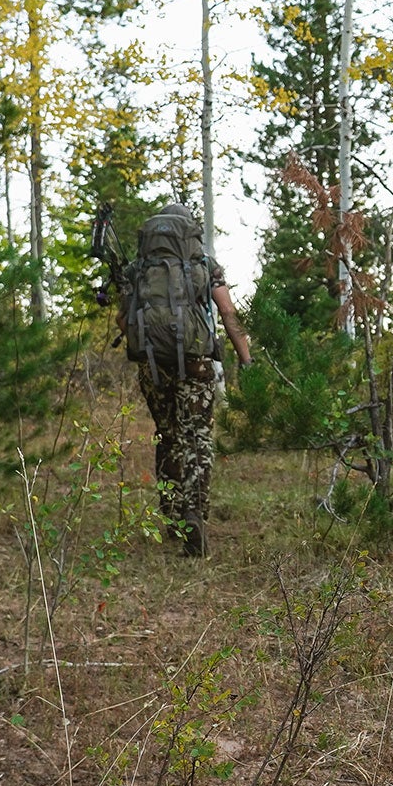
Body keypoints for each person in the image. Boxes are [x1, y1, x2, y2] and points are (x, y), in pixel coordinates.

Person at [125, 203, 252, 557]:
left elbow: (126, 319)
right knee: (196, 438)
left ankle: (171, 516)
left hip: (153, 365)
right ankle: (194, 513)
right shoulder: (203, 265)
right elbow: (227, 312)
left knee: (167, 436)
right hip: (196, 363)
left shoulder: (139, 269)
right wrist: (246, 358)